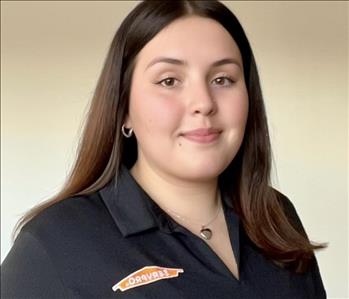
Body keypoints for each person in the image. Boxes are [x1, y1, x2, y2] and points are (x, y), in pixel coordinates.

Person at [1, 1, 327, 298]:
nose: (203, 103)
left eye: (223, 79)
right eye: (169, 80)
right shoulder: (56, 243)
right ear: (123, 108)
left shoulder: (276, 217)